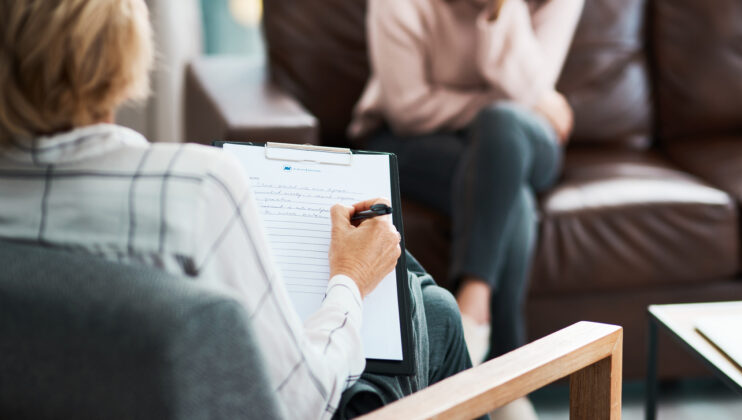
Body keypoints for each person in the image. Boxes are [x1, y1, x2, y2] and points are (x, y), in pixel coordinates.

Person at [0, 1, 482, 419]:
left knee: (406, 278)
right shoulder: (197, 188)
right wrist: (350, 280)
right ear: (119, 52)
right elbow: (300, 400)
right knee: (434, 309)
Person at [349, 0, 584, 417]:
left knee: (502, 129)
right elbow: (407, 108)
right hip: (417, 140)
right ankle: (510, 377)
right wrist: (493, 119)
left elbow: (532, 88)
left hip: (519, 136)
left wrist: (500, 11)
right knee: (508, 186)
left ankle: (473, 314)